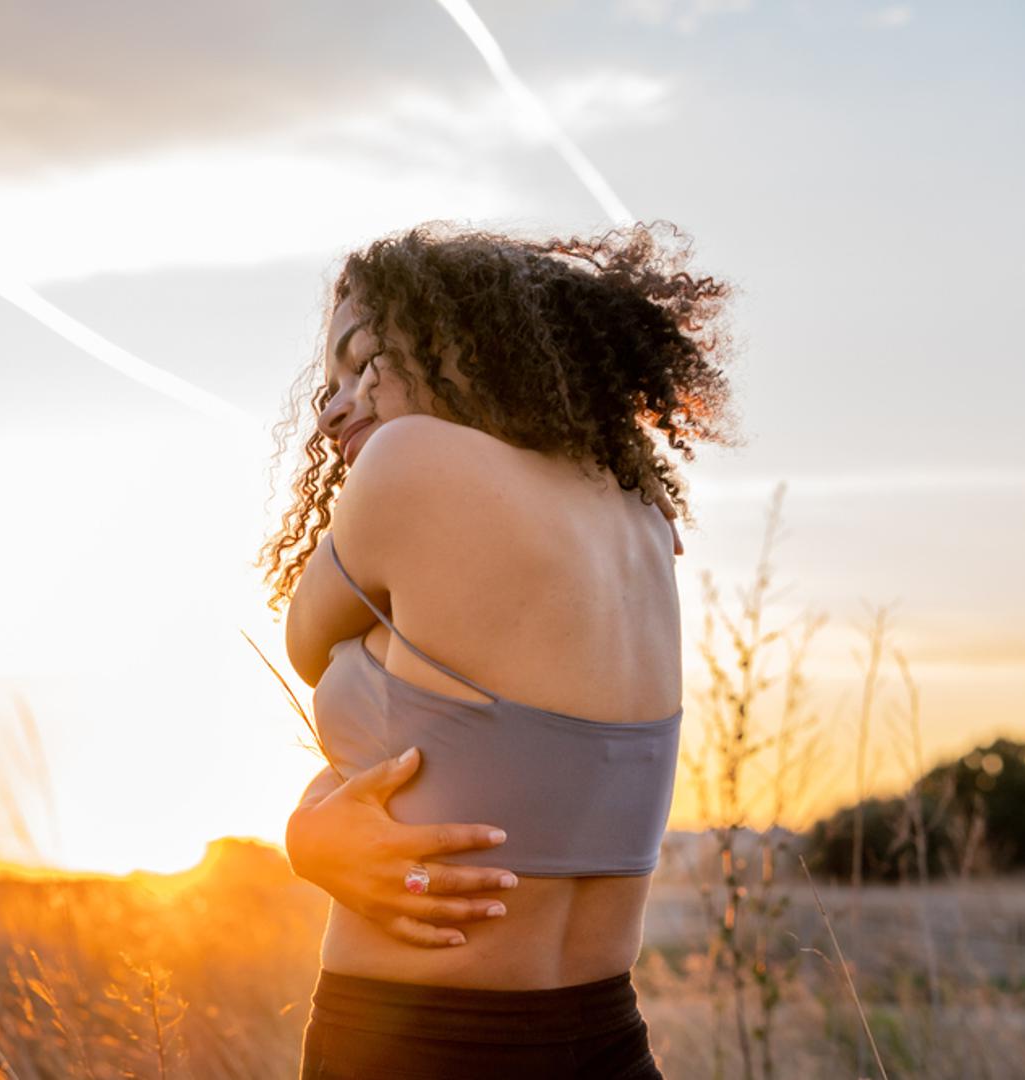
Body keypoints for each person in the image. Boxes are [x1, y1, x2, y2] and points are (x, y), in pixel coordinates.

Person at [256, 220, 736, 1078]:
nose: (333, 407)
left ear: (468, 345)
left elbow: (303, 642)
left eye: (365, 361)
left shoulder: (412, 462)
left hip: (414, 1046)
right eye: (330, 382)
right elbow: (485, 761)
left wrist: (311, 834)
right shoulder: (640, 521)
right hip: (610, 1044)